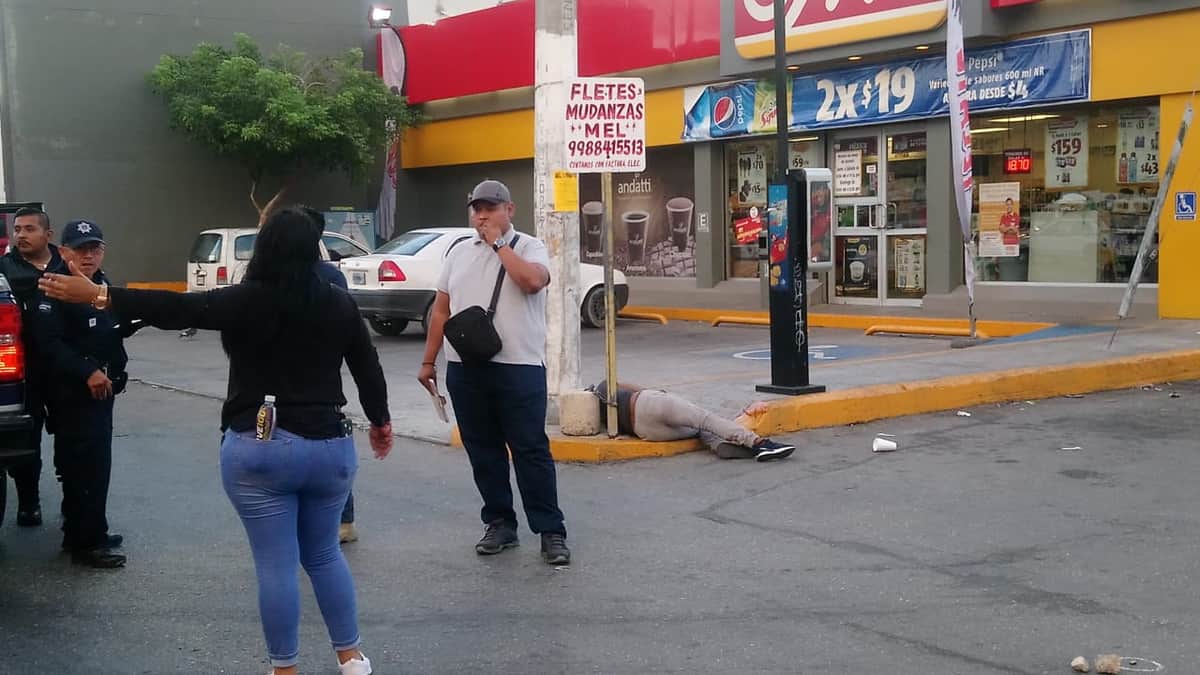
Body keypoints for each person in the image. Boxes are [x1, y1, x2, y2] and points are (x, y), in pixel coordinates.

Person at [40, 207, 393, 675]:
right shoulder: (339, 304)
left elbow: (176, 309)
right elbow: (368, 369)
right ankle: (351, 657)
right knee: (324, 553)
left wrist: (102, 296)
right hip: (329, 447)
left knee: (277, 565)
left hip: (260, 446)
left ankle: (285, 669)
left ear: (263, 250)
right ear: (314, 251)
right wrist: (380, 422)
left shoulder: (245, 300)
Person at [417, 179, 570, 565]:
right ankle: (500, 522)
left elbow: (533, 282)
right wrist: (428, 361)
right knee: (483, 451)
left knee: (530, 450)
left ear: (509, 210)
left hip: (518, 368)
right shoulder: (458, 253)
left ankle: (550, 531)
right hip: (467, 369)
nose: (481, 215)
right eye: (476, 209)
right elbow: (441, 310)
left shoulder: (529, 247)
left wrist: (499, 244)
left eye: (490, 208)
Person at [33, 220, 141, 568]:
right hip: (73, 394)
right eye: (80, 249)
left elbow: (109, 332)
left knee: (96, 466)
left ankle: (91, 530)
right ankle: (84, 543)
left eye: (94, 248)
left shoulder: (101, 283)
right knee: (82, 466)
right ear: (63, 252)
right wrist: (88, 371)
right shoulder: (54, 287)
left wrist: (118, 368)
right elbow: (48, 344)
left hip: (100, 393)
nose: (89, 255)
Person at [0, 207, 67, 527]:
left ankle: (76, 504)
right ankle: (29, 503)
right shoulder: (5, 269)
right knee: (29, 441)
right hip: (25, 374)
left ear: (47, 235)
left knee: (73, 440)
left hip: (65, 369)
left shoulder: (66, 264)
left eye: (29, 229)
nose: (21, 235)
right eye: (18, 229)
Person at [301, 207, 359, 546]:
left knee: (326, 444)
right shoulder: (331, 277)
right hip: (318, 374)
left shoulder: (327, 277)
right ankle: (340, 521)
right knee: (326, 446)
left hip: (318, 375)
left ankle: (343, 520)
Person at [588, 381, 796, 461]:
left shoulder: (602, 416)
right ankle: (760, 444)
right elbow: (636, 388)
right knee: (704, 419)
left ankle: (720, 445)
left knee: (700, 429)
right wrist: (658, 392)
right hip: (647, 403)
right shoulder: (605, 385)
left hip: (645, 431)